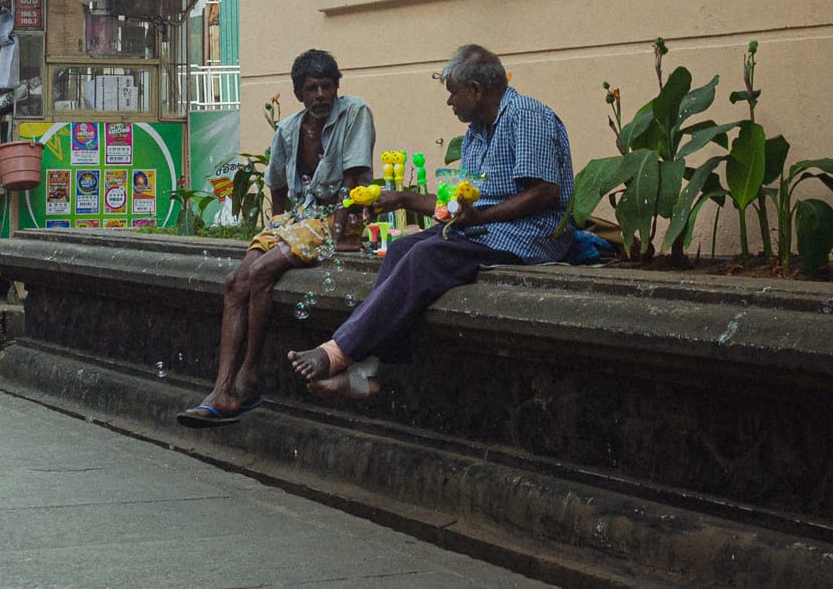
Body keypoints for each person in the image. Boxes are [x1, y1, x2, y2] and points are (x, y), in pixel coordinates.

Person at [288, 44, 574, 400]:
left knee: (426, 257)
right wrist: (401, 198)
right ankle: (368, 372)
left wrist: (480, 217)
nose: (450, 102)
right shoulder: (477, 133)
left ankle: (337, 353)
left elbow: (545, 191)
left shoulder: (526, 116)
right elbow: (458, 207)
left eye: (453, 93)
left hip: (526, 236)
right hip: (484, 230)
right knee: (401, 249)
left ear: (476, 90)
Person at [178, 49, 375, 428]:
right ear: (299, 93)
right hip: (299, 220)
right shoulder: (289, 128)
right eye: (311, 88)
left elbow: (351, 183)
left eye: (327, 86)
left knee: (262, 271)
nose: (321, 95)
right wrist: (276, 229)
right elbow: (278, 188)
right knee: (236, 281)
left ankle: (248, 375)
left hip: (339, 218)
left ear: (337, 87)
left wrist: (340, 237)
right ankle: (222, 388)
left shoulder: (355, 113)